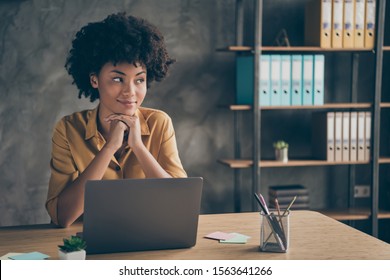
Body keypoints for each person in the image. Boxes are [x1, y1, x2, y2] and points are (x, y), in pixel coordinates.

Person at [45, 13, 187, 228]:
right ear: (94, 79)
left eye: (139, 80)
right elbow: (62, 217)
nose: (130, 92)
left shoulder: (160, 123)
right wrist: (109, 147)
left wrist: (139, 147)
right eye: (118, 79)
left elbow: (180, 204)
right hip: (88, 244)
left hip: (149, 237)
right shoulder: (68, 129)